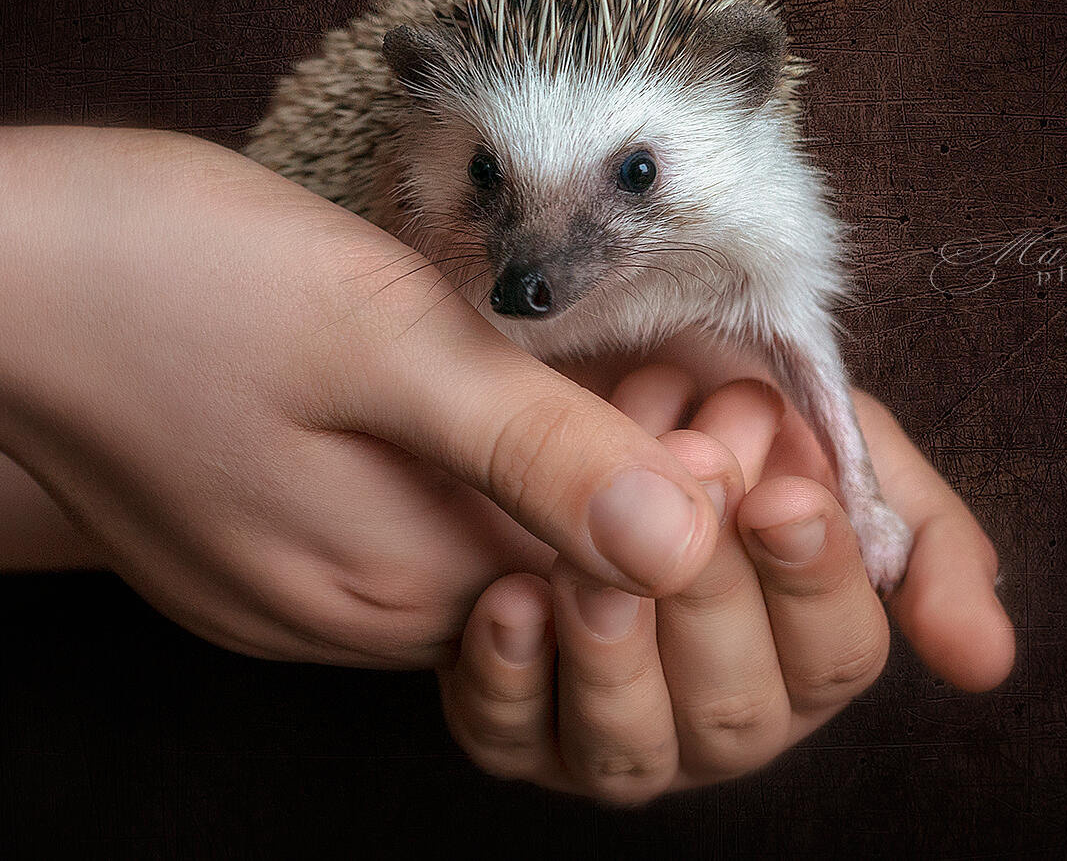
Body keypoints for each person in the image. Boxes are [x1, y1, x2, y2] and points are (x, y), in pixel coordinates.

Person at [0, 126, 1014, 804]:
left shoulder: (768, 209)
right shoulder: (413, 212)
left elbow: (792, 337)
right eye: (489, 176)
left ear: (742, 108)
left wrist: (861, 496)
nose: (533, 265)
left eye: (632, 175)